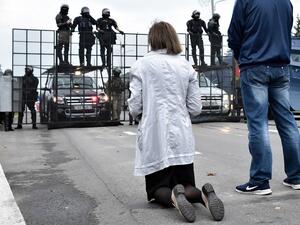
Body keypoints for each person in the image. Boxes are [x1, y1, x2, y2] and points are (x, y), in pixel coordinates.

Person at [128, 21, 224, 223]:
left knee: (157, 189)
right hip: (182, 133)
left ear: (152, 39)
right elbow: (196, 108)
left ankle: (173, 195)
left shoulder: (141, 65)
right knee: (187, 182)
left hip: (155, 135)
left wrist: (141, 115)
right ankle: (202, 194)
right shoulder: (186, 65)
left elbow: (135, 105)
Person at [228, 0, 300, 194]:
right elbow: (286, 30)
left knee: (258, 124)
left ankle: (260, 180)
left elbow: (235, 33)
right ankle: (297, 176)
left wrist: (241, 55)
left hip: (255, 65)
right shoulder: (286, 2)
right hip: (281, 67)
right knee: (287, 121)